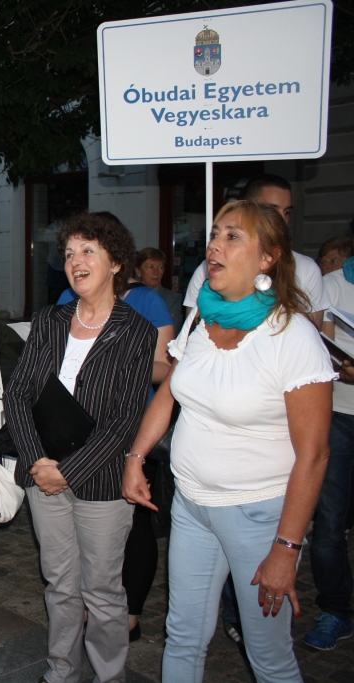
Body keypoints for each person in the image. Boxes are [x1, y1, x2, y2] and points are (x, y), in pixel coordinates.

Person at [124, 200, 334, 681]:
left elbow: (315, 454)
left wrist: (286, 548)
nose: (214, 245)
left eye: (233, 236)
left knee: (268, 655)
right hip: (191, 506)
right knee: (182, 635)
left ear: (268, 258)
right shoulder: (201, 319)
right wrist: (136, 456)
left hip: (259, 516)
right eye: (215, 234)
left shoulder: (292, 336)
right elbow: (170, 393)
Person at [6, 212, 156, 682]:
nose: (76, 261)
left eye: (88, 250)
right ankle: (61, 671)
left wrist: (67, 472)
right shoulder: (49, 320)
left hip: (102, 481)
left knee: (104, 592)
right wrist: (37, 461)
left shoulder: (136, 330)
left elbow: (124, 419)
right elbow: (18, 394)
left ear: (116, 262)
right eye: (69, 253)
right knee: (60, 585)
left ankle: (109, 676)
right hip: (42, 473)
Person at [184, 174, 330, 328]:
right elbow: (190, 331)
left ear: (267, 259)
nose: (280, 219)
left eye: (286, 212)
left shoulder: (306, 270)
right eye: (269, 210)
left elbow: (315, 330)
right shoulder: (207, 270)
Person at [304, 256, 354, 649]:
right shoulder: (331, 284)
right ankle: (335, 609)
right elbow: (317, 346)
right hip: (338, 415)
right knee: (329, 524)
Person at [136, 246, 183, 333]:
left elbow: (171, 330)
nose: (156, 272)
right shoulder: (129, 296)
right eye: (151, 267)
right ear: (139, 271)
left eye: (160, 267)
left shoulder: (173, 298)